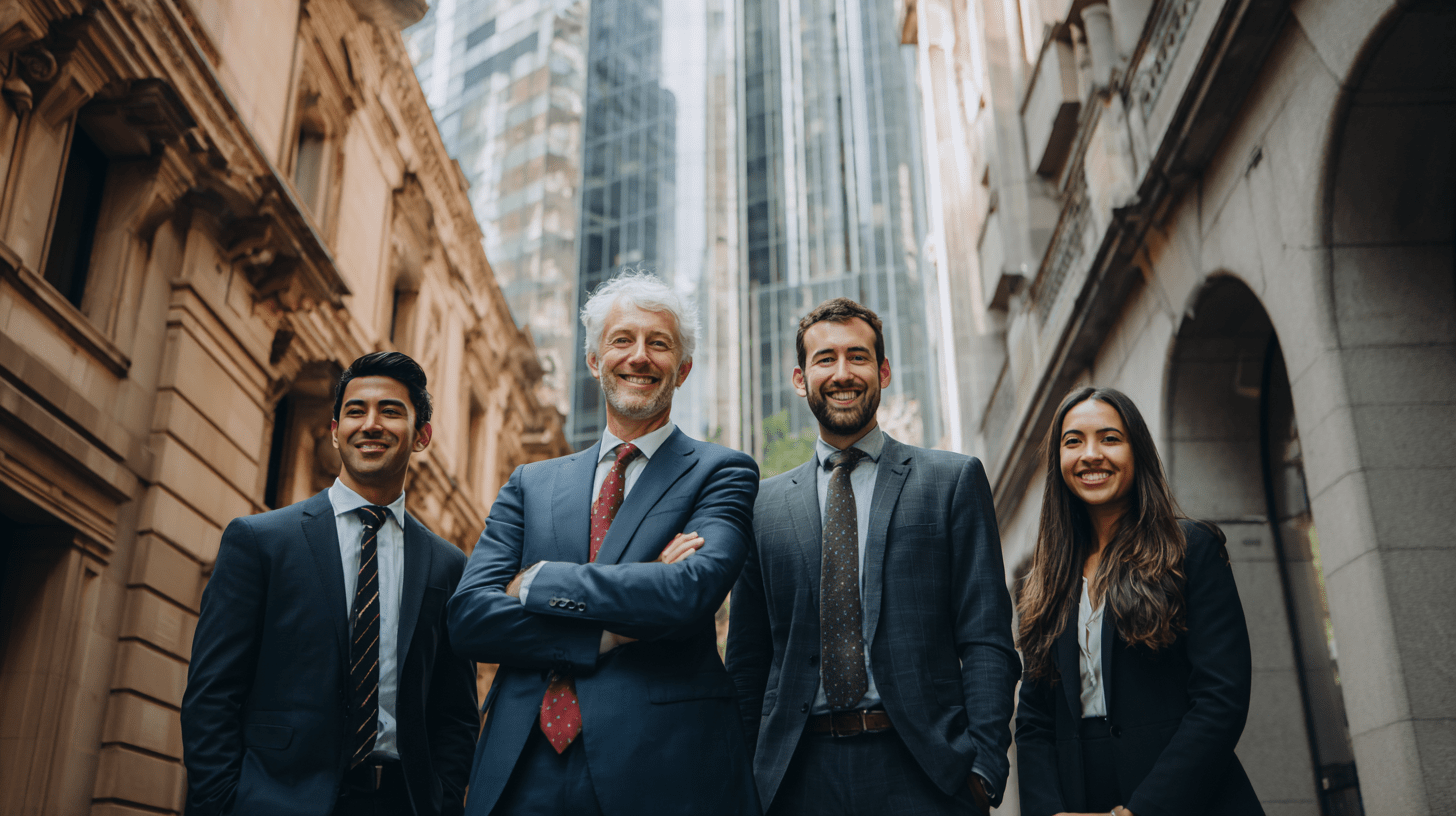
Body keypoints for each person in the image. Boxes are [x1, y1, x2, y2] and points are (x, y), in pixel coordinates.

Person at [447, 272, 760, 816]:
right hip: (519, 765)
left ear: (682, 370)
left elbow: (689, 591)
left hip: (661, 763)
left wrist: (539, 581)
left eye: (658, 344)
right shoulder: (529, 483)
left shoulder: (722, 471)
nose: (639, 356)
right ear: (595, 361)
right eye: (622, 340)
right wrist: (611, 632)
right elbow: (471, 619)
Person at [726, 297, 1019, 816]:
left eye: (858, 357)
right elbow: (749, 662)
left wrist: (984, 768)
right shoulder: (761, 505)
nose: (843, 373)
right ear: (801, 379)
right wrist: (745, 783)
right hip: (797, 778)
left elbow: (985, 637)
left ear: (882, 371)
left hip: (926, 773)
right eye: (825, 359)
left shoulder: (951, 481)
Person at [182, 351, 479, 816]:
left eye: (391, 411)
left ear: (422, 435)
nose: (371, 424)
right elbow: (212, 694)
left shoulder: (447, 565)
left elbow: (456, 712)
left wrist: (441, 802)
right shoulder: (260, 542)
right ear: (336, 430)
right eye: (356, 411)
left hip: (401, 803)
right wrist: (224, 803)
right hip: (274, 800)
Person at [1013, 386, 1263, 816]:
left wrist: (1141, 811)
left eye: (1110, 438)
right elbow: (1035, 718)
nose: (1091, 454)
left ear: (1137, 452)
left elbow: (1221, 700)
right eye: (1073, 441)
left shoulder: (1190, 550)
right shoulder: (1046, 580)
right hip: (1078, 801)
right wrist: (1048, 810)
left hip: (1184, 800)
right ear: (1058, 461)